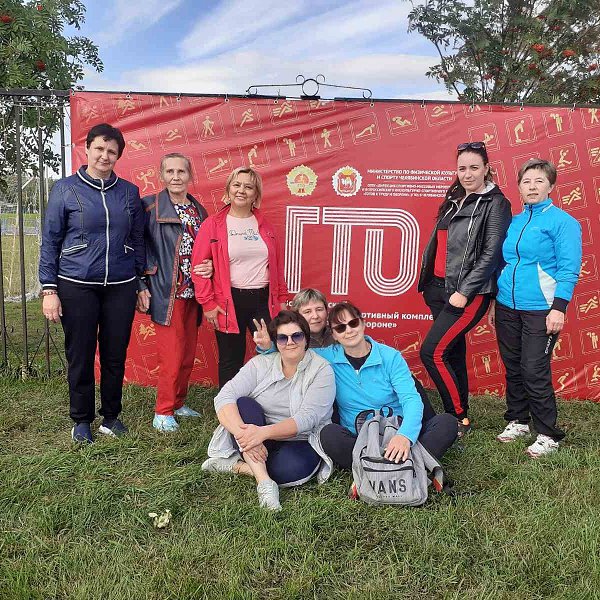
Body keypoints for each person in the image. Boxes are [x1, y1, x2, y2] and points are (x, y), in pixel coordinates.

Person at [254, 302, 458, 478]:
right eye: (340, 328)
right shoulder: (326, 357)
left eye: (353, 323)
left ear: (362, 323)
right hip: (359, 439)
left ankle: (377, 468)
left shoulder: (390, 356)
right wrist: (268, 347)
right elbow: (293, 353)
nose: (349, 331)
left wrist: (404, 436)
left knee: (447, 423)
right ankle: (408, 465)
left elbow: (411, 399)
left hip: (397, 429)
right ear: (334, 334)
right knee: (328, 434)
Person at [39, 123, 145, 443]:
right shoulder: (65, 189)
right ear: (86, 149)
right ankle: (82, 419)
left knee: (115, 353)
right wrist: (49, 289)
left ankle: (111, 417)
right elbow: (50, 240)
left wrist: (140, 283)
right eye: (99, 148)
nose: (104, 155)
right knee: (81, 353)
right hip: (76, 283)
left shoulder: (129, 192)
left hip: (121, 285)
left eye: (112, 151)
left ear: (118, 156)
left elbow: (137, 240)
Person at [418, 142, 512, 436]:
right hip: (438, 288)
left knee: (432, 353)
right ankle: (462, 414)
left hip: (468, 294)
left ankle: (456, 417)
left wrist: (465, 291)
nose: (467, 174)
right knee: (452, 352)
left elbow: (492, 253)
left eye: (474, 167)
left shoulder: (496, 203)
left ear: (486, 168)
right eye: (462, 168)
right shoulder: (455, 197)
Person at [490, 158, 581, 458]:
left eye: (539, 181)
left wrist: (559, 308)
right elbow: (505, 263)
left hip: (542, 309)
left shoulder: (564, 223)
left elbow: (569, 269)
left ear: (551, 186)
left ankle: (547, 434)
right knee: (513, 364)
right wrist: (494, 302)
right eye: (526, 181)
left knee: (534, 368)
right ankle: (518, 420)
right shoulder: (515, 222)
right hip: (506, 305)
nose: (532, 186)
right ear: (519, 187)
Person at [201, 311, 335, 511]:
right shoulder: (260, 363)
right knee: (244, 404)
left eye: (296, 336)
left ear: (306, 339)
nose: (290, 342)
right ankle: (264, 483)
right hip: (256, 431)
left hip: (300, 438)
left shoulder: (322, 370)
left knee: (291, 471)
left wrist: (261, 434)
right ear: (276, 342)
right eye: (282, 338)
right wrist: (246, 436)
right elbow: (224, 396)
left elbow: (308, 418)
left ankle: (239, 466)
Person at [191, 167, 288, 388]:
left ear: (256, 194)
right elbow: (198, 268)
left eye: (248, 187)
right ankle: (227, 405)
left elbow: (276, 266)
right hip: (228, 301)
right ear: (228, 190)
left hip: (263, 300)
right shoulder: (213, 225)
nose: (241, 190)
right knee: (230, 359)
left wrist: (281, 298)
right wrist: (208, 303)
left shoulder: (265, 225)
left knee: (272, 353)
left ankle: (267, 401)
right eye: (236, 185)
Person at [137, 153, 213, 432]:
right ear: (161, 176)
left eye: (181, 171)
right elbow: (136, 246)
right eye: (170, 171)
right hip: (166, 292)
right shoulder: (149, 207)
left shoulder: (199, 210)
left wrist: (210, 265)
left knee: (187, 353)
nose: (176, 176)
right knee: (171, 354)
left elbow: (208, 248)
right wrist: (141, 285)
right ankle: (163, 411)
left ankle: (178, 402)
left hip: (195, 293)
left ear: (190, 175)